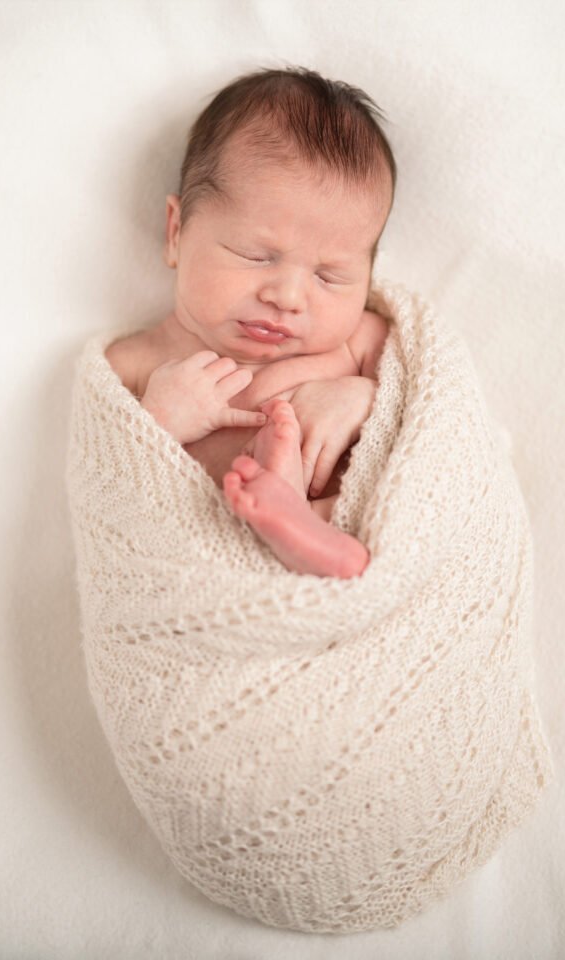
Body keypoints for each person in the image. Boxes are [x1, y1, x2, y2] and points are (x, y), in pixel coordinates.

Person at [106, 66, 397, 579]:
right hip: (202, 574)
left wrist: (361, 399)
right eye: (255, 256)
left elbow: (425, 409)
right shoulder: (135, 362)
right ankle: (293, 529)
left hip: (351, 547)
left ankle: (311, 531)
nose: (286, 297)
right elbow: (107, 484)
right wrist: (159, 422)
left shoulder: (360, 342)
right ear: (176, 233)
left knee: (385, 514)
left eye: (329, 277)